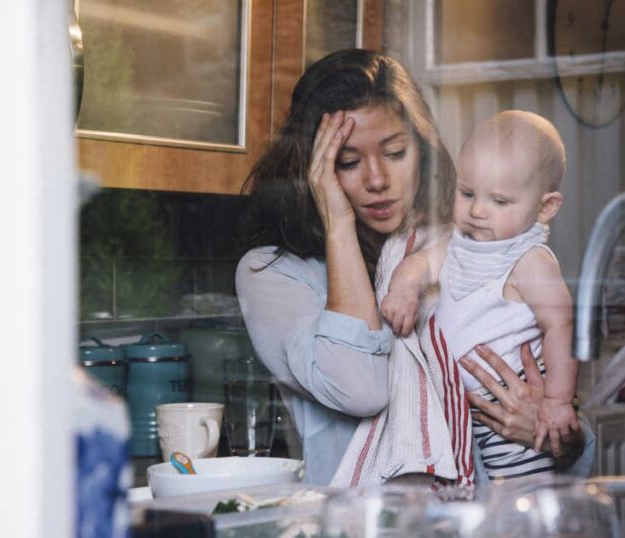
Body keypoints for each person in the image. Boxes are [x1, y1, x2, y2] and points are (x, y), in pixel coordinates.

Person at [235, 49, 590, 486]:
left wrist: (555, 434)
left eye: (395, 152)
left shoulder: (468, 249)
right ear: (312, 168)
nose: (377, 179)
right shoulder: (273, 275)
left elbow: (574, 442)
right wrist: (338, 221)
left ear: (421, 152)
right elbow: (360, 387)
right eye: (347, 162)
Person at [381, 111, 579, 480]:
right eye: (467, 193)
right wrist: (403, 290)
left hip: (512, 409)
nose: (476, 211)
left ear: (545, 207)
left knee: (522, 498)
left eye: (500, 201)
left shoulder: (529, 260)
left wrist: (556, 401)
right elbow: (419, 265)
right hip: (463, 413)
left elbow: (562, 326)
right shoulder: (458, 245)